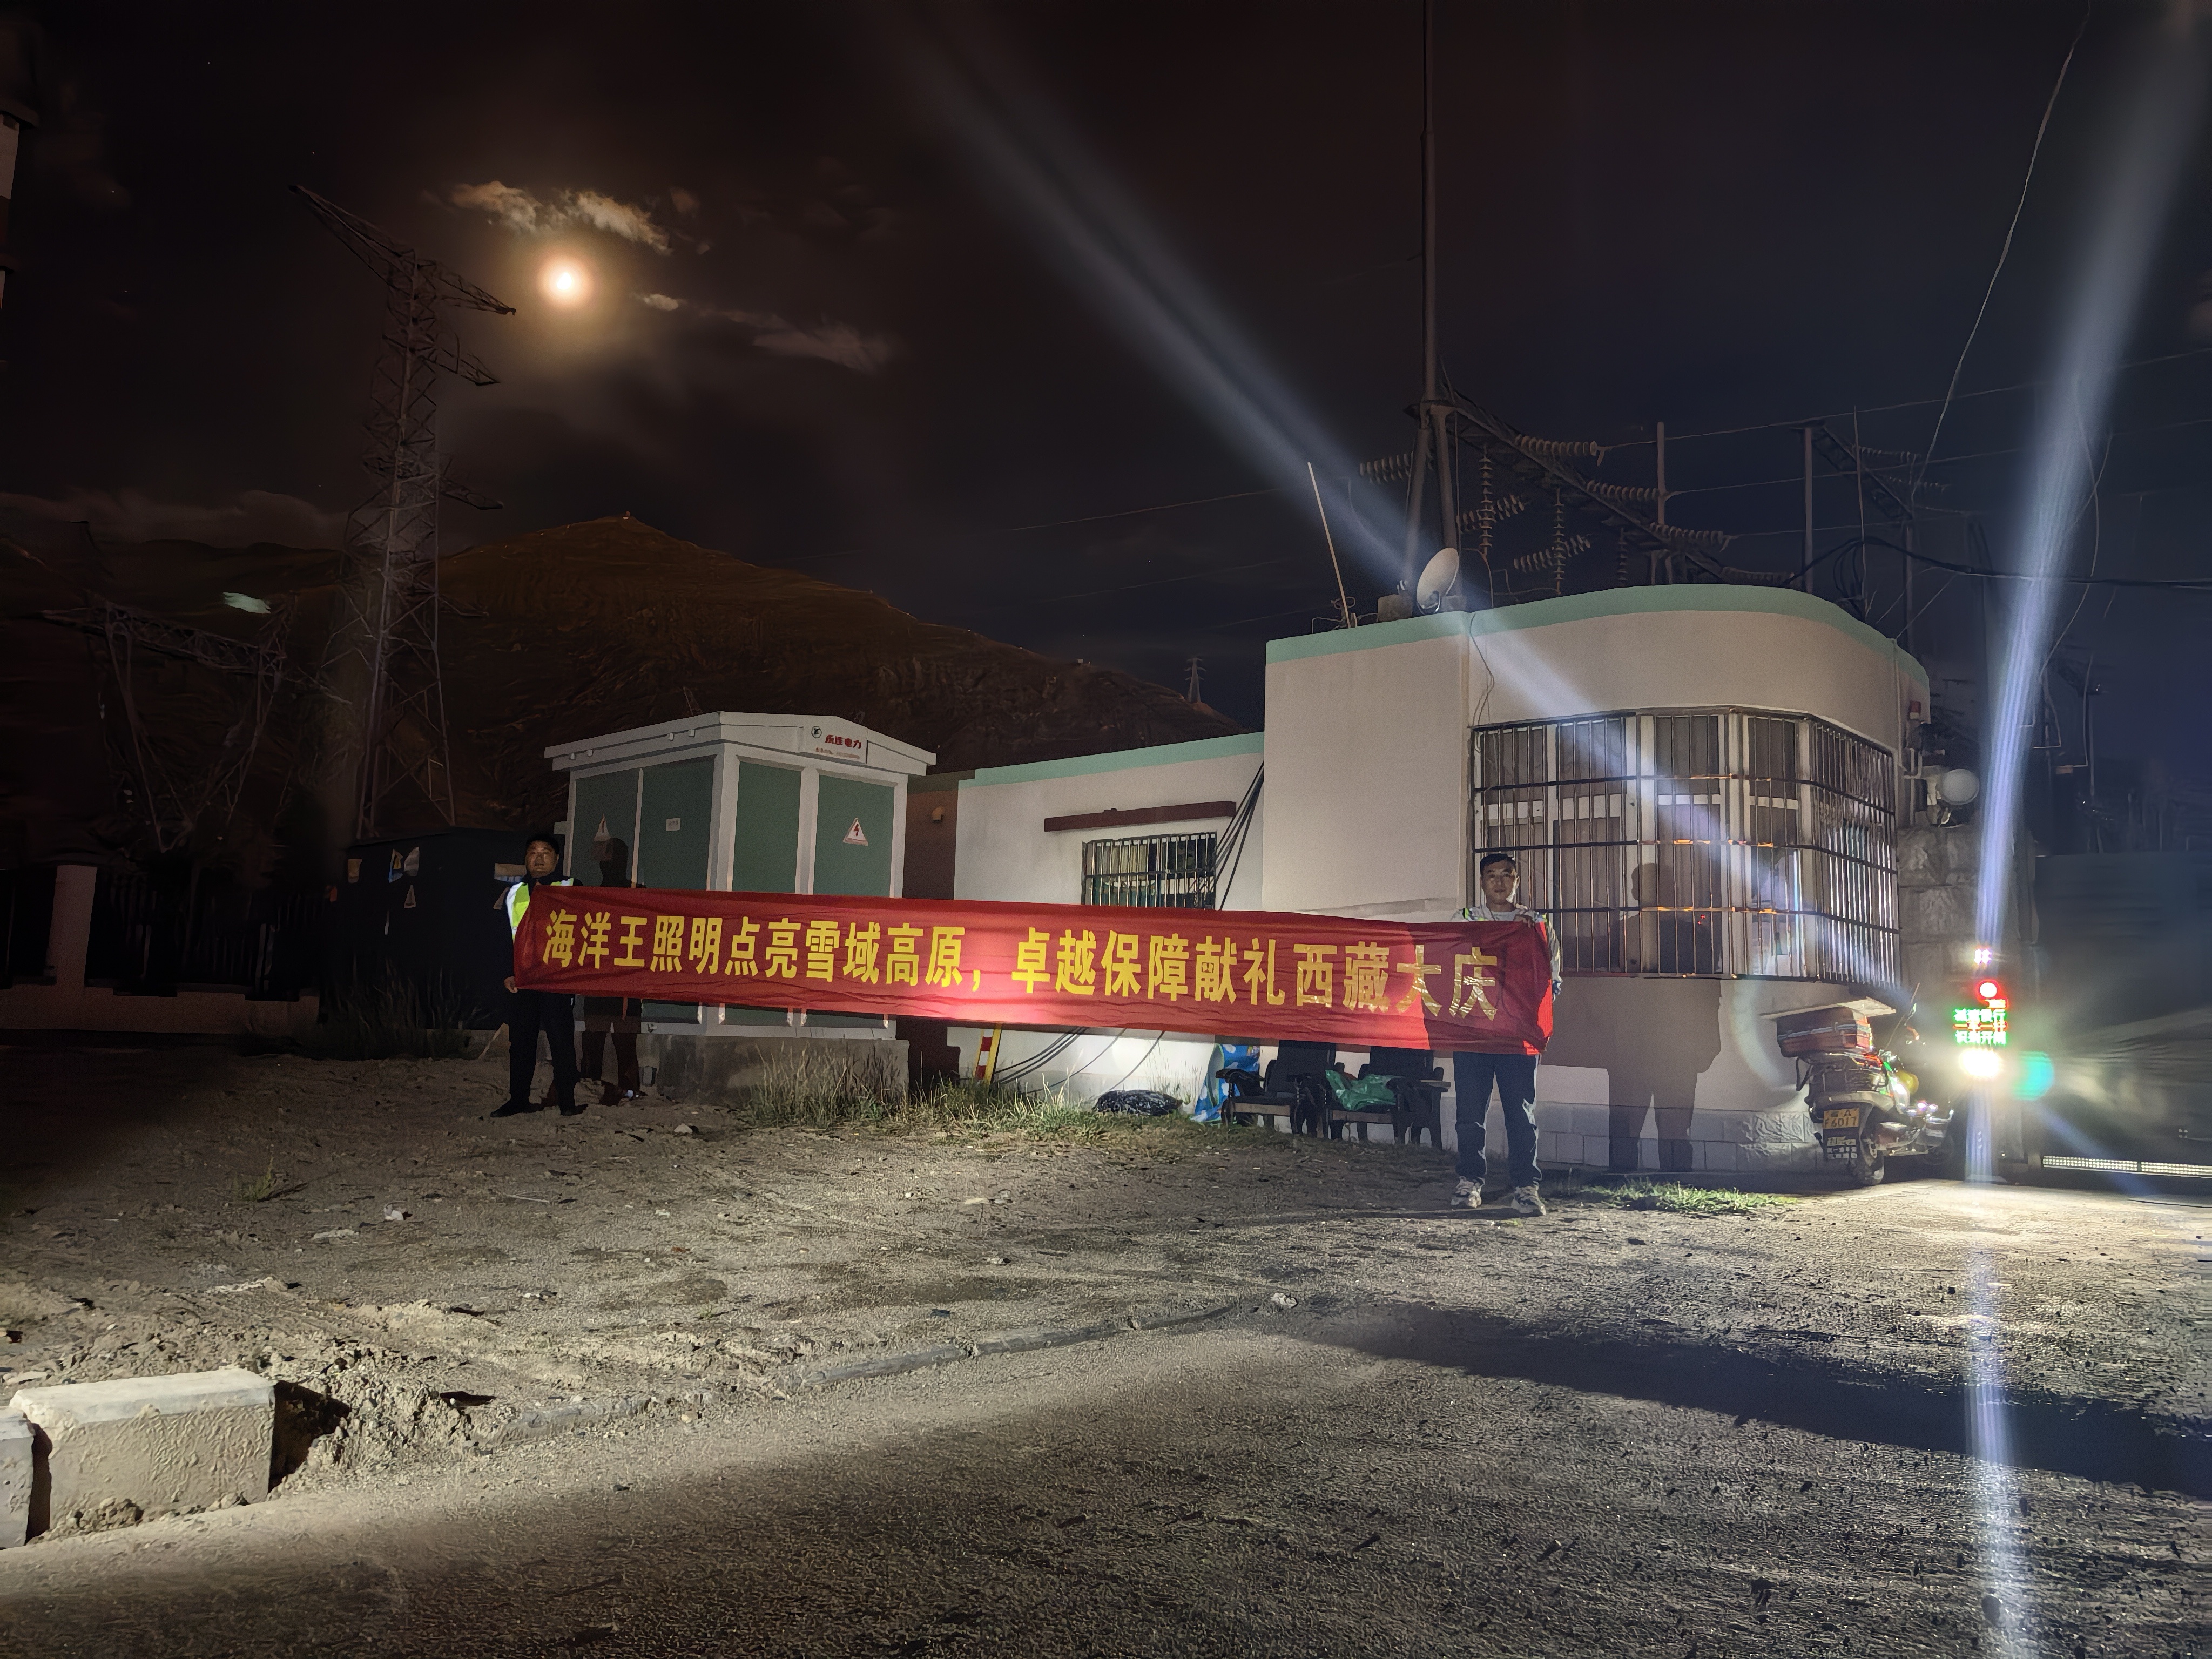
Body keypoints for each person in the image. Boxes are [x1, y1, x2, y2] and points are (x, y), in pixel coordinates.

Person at [1450, 852, 1563, 1216]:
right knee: (1469, 1114)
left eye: (1507, 875)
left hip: (1517, 1036)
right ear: (1481, 882)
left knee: (1521, 1113)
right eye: (1491, 875)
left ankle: (1526, 1188)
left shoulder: (1534, 923)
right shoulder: (1465, 920)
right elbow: (1444, 969)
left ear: (1517, 881)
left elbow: (1552, 980)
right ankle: (1469, 1182)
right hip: (1474, 1033)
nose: (1499, 882)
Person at [492, 831, 581, 1118]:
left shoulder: (572, 887)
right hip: (524, 979)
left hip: (557, 978)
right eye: (533, 853)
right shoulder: (514, 894)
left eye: (545, 853)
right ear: (526, 859)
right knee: (521, 1043)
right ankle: (518, 1100)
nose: (538, 858)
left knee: (561, 1040)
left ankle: (567, 1102)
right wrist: (507, 972)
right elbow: (505, 937)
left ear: (556, 859)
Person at [578, 835, 643, 1107]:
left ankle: (629, 1093)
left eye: (611, 858)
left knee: (625, 1043)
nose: (608, 865)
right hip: (596, 980)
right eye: (604, 860)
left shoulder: (640, 893)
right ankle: (590, 1088)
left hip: (627, 984)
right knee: (592, 1040)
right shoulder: (590, 895)